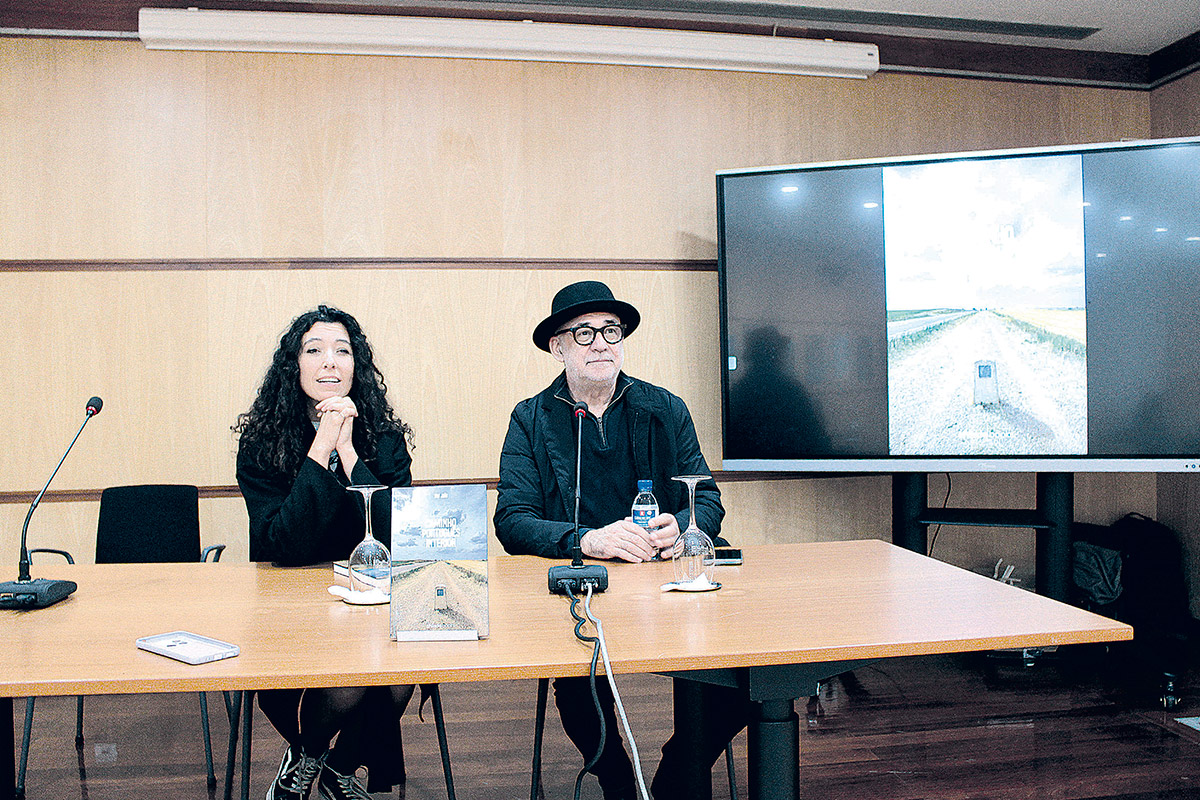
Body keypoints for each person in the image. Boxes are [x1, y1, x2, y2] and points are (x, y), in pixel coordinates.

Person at [494, 280, 748, 800]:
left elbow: (708, 499)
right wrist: (587, 540)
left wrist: (685, 525)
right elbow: (512, 521)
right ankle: (618, 781)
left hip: (667, 586)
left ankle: (677, 772)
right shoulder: (530, 418)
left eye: (611, 331)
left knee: (750, 673)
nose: (601, 344)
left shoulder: (664, 408)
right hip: (586, 591)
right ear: (557, 347)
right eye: (584, 333)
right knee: (579, 683)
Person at [234, 305, 416, 800]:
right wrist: (322, 446)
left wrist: (350, 451)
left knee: (399, 677)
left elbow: (399, 533)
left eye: (342, 351)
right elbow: (284, 544)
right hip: (290, 600)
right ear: (294, 366)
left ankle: (335, 765)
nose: (330, 361)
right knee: (349, 680)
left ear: (357, 366)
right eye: (314, 350)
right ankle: (310, 754)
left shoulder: (385, 440)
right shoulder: (262, 443)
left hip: (369, 596)